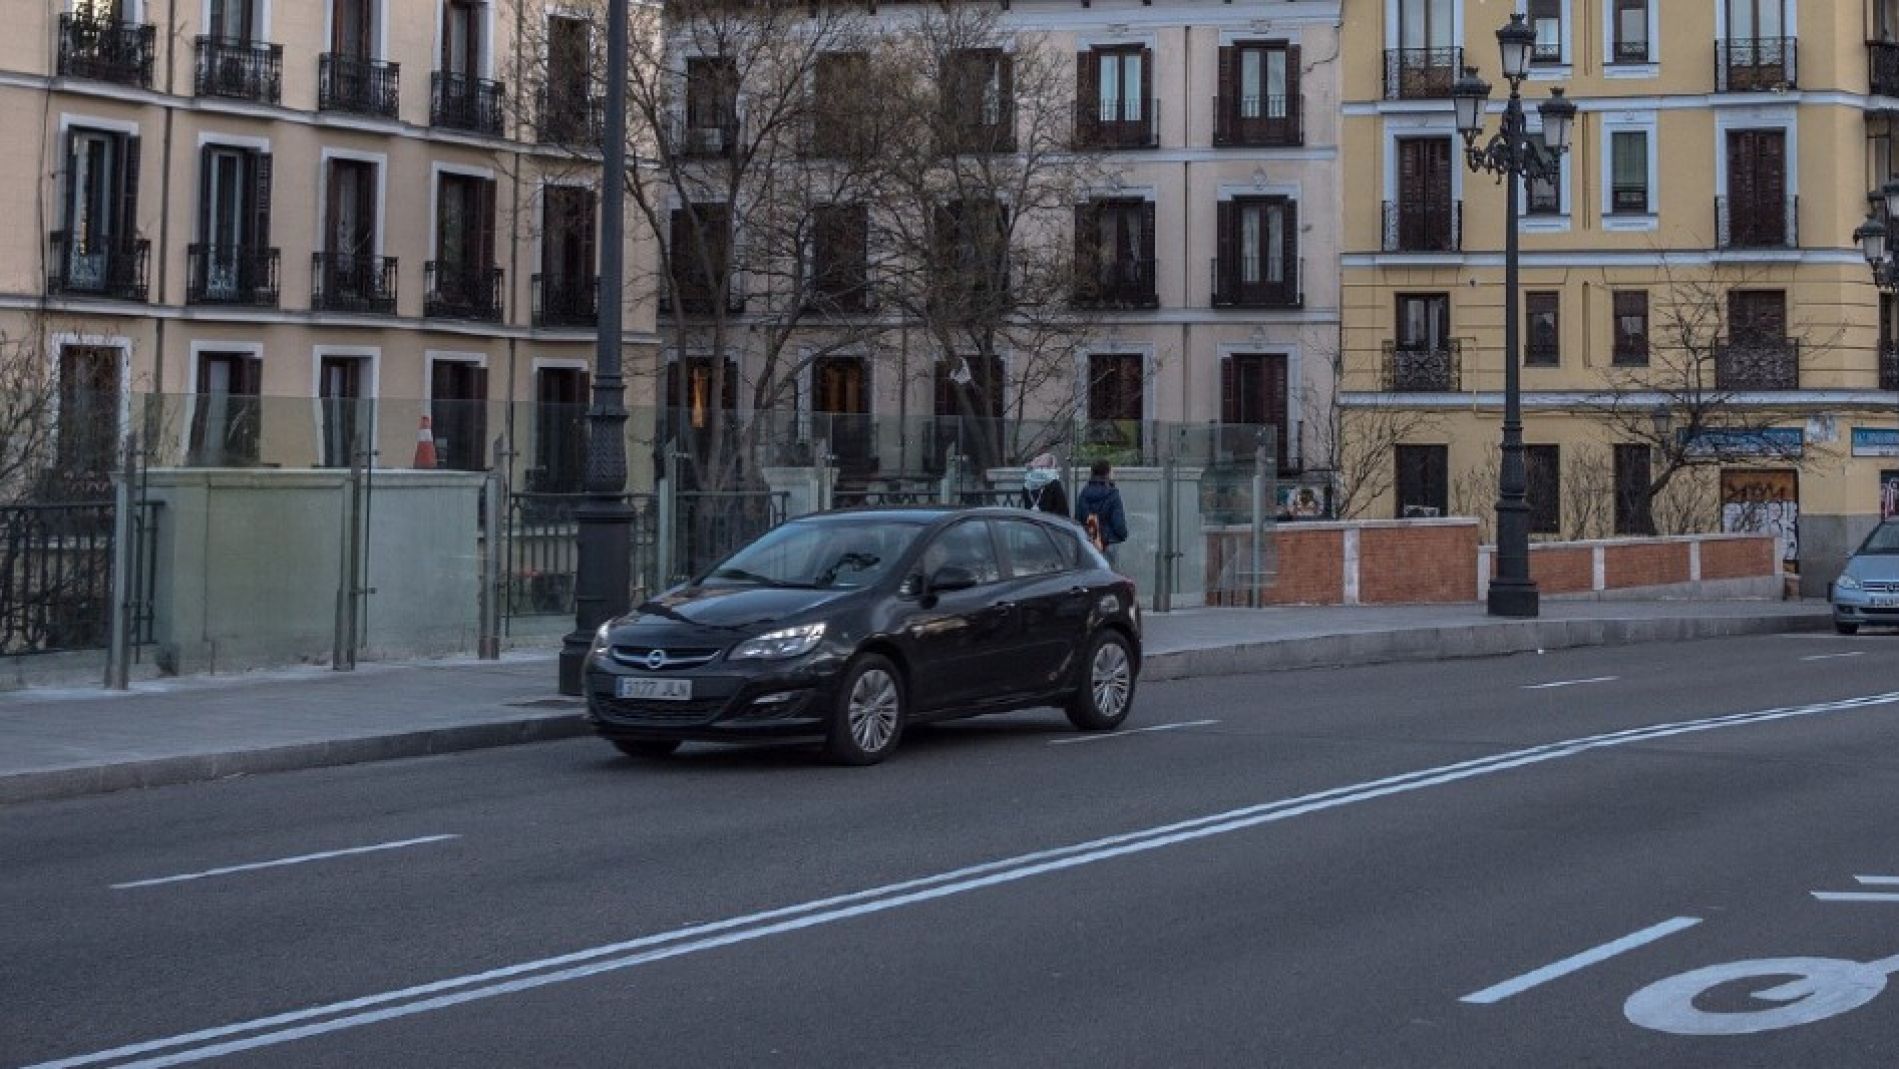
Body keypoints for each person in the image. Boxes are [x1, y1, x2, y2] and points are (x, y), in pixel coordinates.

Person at [1074, 460, 1129, 564]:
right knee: (1109, 577)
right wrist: (1122, 534)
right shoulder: (1113, 494)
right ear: (1107, 473)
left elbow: (1078, 519)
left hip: (1088, 542)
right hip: (1108, 542)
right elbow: (1118, 522)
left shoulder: (1084, 493)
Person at [1021, 453, 1069, 518]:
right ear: (1050, 466)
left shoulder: (1027, 484)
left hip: (1032, 522)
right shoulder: (1054, 483)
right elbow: (1062, 509)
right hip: (1050, 522)